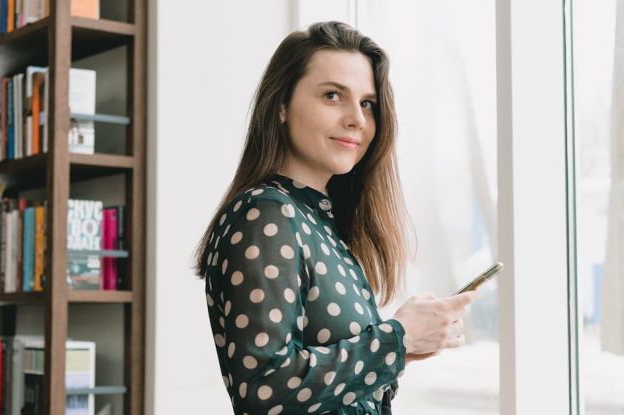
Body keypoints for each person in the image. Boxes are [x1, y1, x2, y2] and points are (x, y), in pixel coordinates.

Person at [194, 21, 481, 415]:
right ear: (281, 105)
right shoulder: (266, 214)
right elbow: (264, 388)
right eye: (333, 96)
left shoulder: (318, 222)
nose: (357, 120)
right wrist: (396, 339)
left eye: (367, 104)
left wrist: (399, 350)